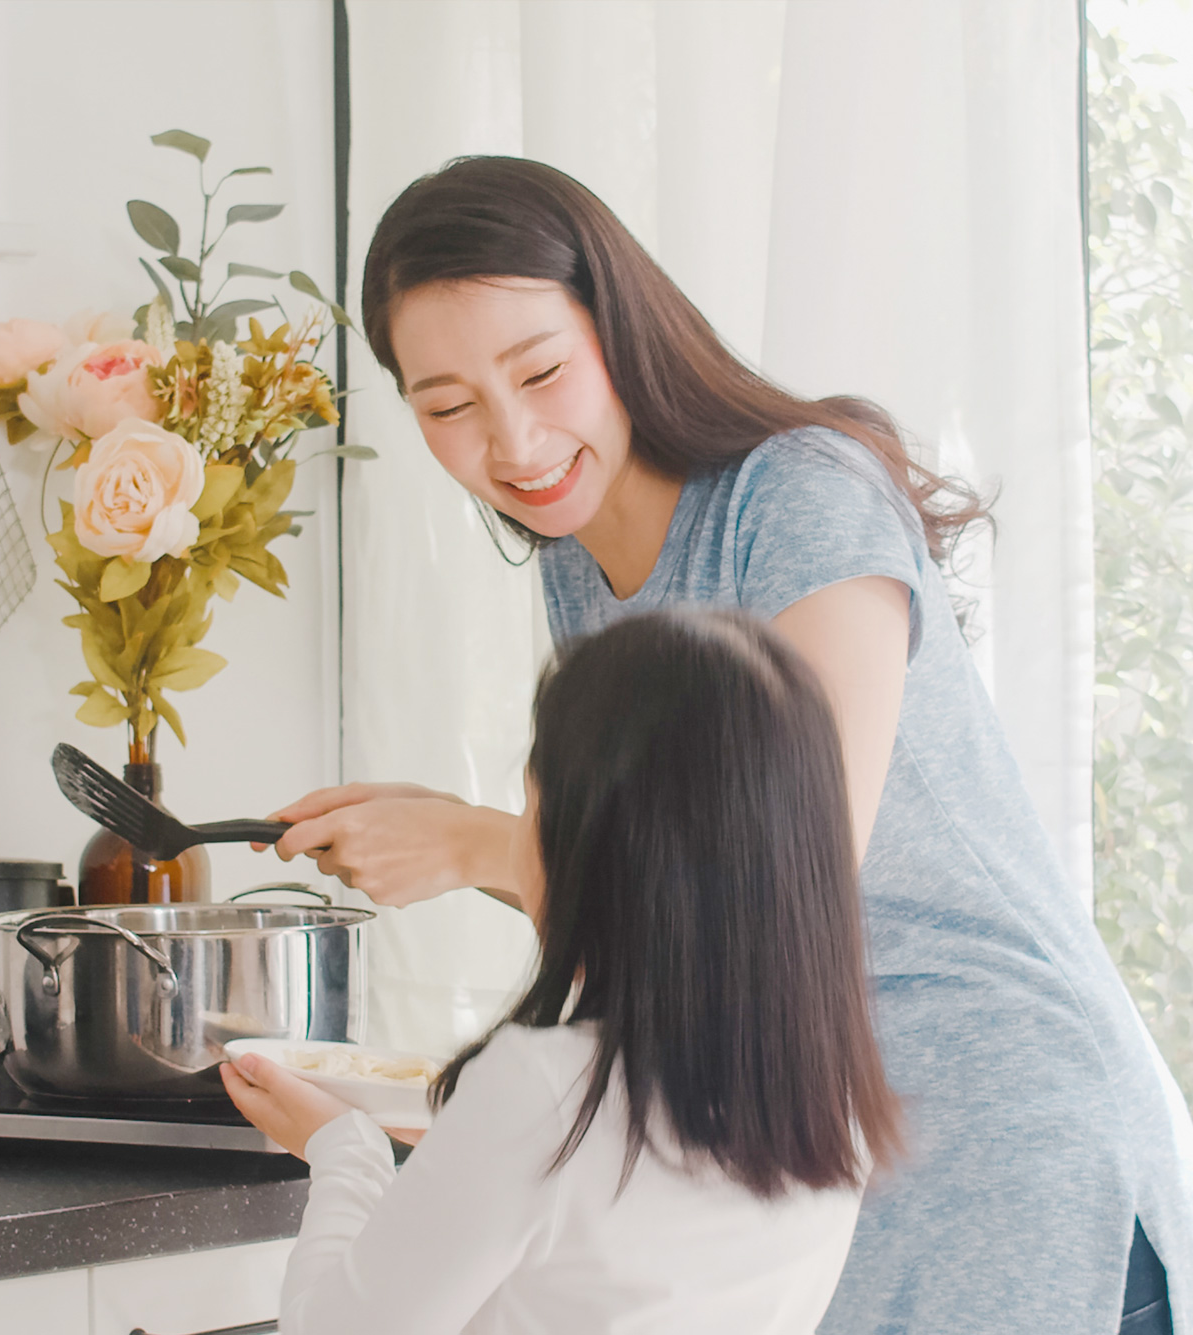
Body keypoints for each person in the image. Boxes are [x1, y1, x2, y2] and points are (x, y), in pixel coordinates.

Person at [258, 156, 1187, 1334]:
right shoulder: (573, 558)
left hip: (989, 1124)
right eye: (447, 408)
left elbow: (782, 867)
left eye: (540, 371)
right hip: (796, 1132)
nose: (514, 440)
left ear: (619, 326)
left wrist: (479, 844)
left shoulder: (798, 497)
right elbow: (646, 922)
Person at [225, 609, 903, 1334]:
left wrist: (347, 1149)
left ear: (600, 844)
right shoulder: (834, 1097)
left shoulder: (548, 1089)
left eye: (531, 803)